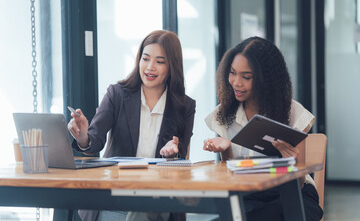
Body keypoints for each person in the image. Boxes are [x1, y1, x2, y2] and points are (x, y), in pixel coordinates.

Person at [68, 30, 196, 221]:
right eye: (145, 59)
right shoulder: (116, 95)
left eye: (160, 62)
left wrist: (173, 154)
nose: (150, 67)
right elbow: (93, 143)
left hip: (158, 194)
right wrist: (83, 136)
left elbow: (182, 156)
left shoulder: (184, 106)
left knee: (143, 208)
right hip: (117, 190)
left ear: (172, 67)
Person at [203, 36, 323, 221]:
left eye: (246, 77)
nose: (236, 82)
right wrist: (226, 149)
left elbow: (298, 186)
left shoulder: (293, 112)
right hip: (248, 196)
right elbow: (232, 180)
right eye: (232, 72)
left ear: (266, 79)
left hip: (291, 196)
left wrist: (292, 162)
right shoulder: (224, 113)